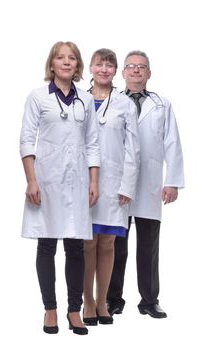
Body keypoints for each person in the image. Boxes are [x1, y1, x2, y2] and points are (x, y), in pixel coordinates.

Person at [19, 41, 100, 335]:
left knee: (75, 246)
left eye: (72, 58)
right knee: (47, 243)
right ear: (51, 64)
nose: (67, 62)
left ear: (78, 66)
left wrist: (93, 181)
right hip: (47, 181)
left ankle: (74, 311)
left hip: (77, 182)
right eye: (60, 58)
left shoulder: (86, 100)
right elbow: (27, 140)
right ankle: (50, 309)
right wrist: (31, 180)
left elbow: (92, 143)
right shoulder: (38, 97)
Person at [107, 50, 185, 318]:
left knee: (149, 246)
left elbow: (172, 143)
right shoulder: (110, 101)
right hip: (117, 186)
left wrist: (172, 181)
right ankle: (112, 298)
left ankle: (149, 300)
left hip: (150, 185)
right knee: (115, 245)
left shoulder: (162, 104)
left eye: (142, 67)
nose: (136, 70)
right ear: (123, 73)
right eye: (131, 66)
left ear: (149, 73)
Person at [83, 49, 140, 326]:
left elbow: (134, 149)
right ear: (91, 68)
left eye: (109, 65)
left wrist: (128, 185)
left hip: (115, 183)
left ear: (115, 70)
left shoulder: (124, 103)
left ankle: (103, 301)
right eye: (99, 64)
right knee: (86, 244)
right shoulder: (78, 100)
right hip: (83, 183)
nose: (104, 69)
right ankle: (88, 303)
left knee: (107, 243)